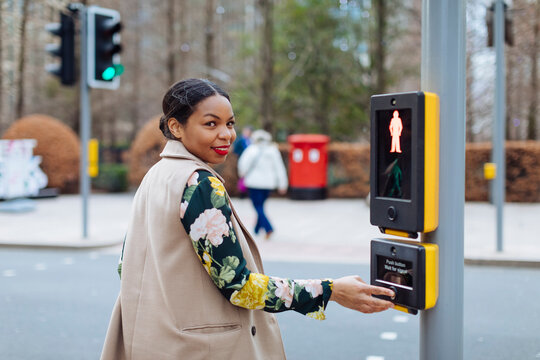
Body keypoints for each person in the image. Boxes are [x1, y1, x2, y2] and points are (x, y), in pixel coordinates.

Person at [100, 78, 395, 360]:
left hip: (152, 343)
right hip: (199, 349)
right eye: (210, 123)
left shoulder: (156, 176)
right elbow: (239, 286)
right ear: (176, 127)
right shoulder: (199, 183)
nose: (226, 134)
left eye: (230, 123)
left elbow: (126, 267)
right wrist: (330, 291)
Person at [238, 129, 287, 239]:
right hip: (268, 184)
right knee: (261, 206)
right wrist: (282, 184)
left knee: (258, 206)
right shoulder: (273, 150)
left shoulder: (251, 150)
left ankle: (268, 228)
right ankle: (256, 228)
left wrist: (242, 174)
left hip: (254, 183)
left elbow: (243, 164)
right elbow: (279, 168)